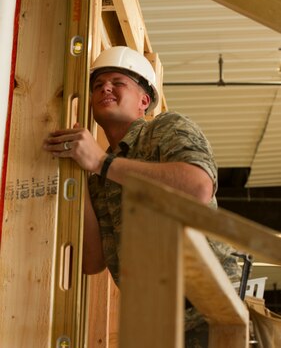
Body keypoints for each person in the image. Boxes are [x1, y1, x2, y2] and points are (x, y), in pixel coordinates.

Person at [44, 46, 241, 347]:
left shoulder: (167, 128)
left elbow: (198, 187)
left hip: (210, 310)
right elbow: (92, 262)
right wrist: (81, 176)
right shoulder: (100, 176)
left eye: (117, 82)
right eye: (97, 85)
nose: (104, 88)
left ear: (144, 100)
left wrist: (100, 162)